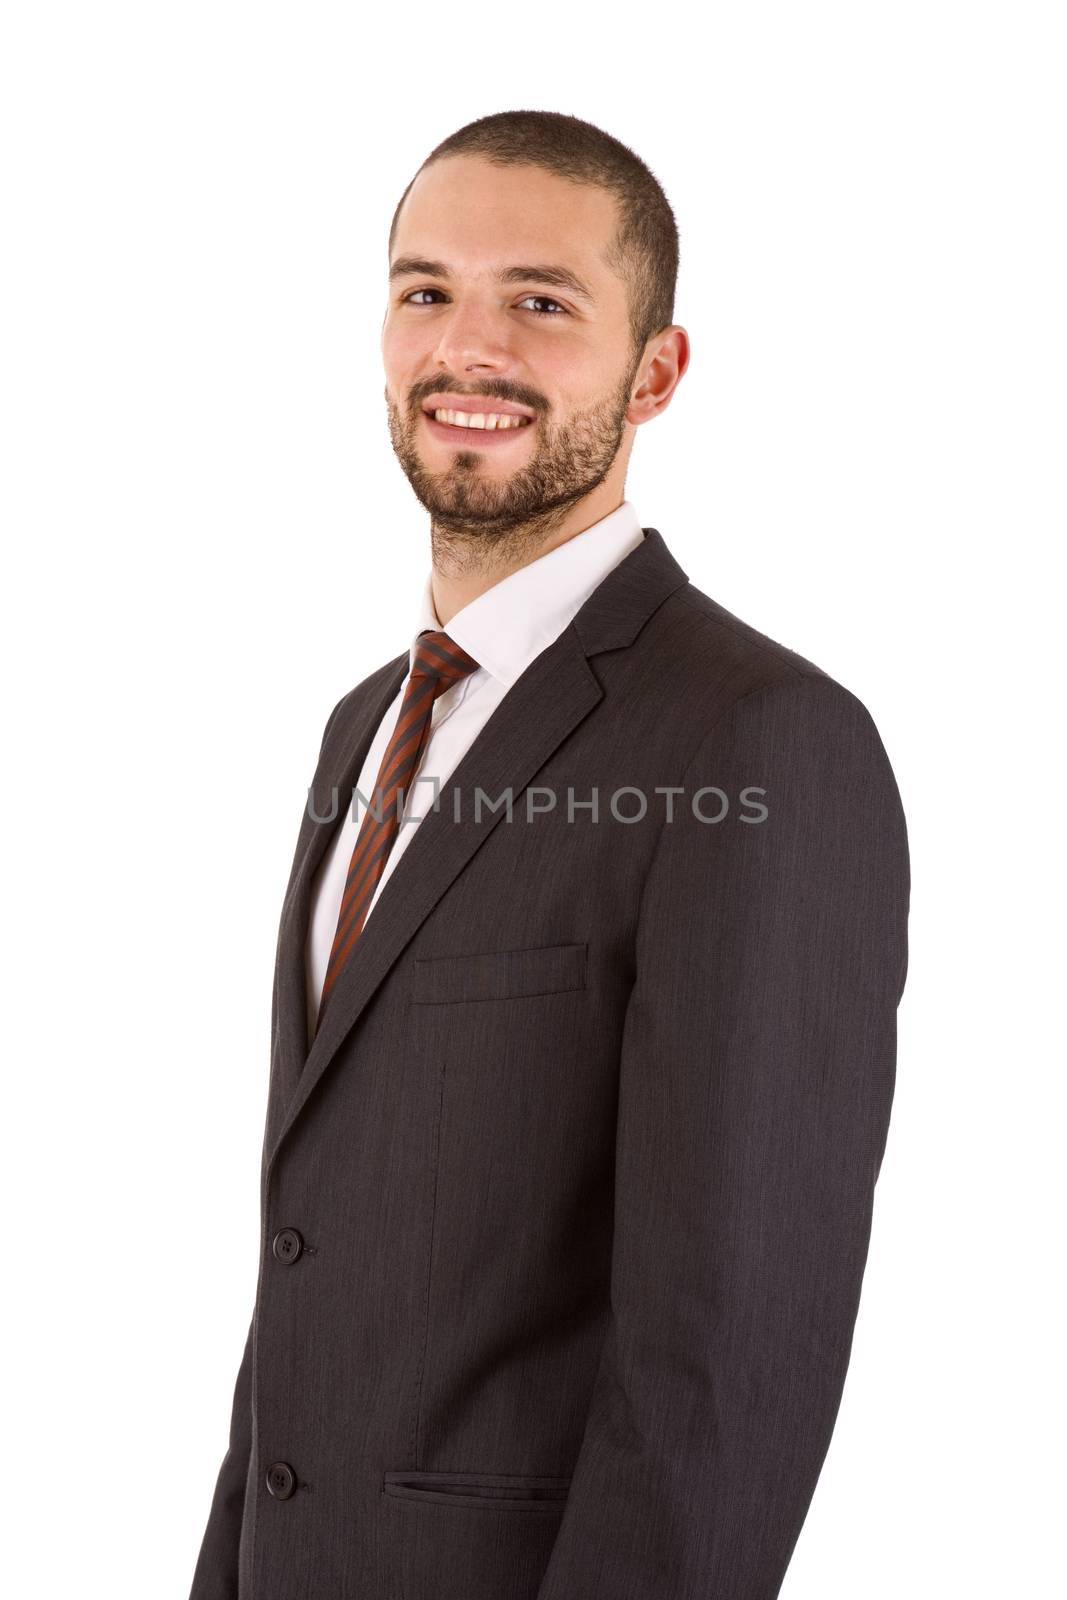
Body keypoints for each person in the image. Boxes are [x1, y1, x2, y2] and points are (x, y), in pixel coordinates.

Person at [189, 109, 910, 1600]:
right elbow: (309, 1269)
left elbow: (729, 1357)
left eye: (541, 301)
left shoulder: (760, 739)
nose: (469, 347)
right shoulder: (363, 730)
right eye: (425, 289)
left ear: (656, 371)